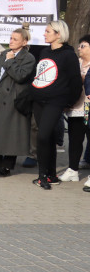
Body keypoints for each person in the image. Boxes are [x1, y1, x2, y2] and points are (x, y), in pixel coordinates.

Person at [30, 20, 84, 189]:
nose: (44, 34)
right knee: (49, 137)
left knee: (43, 136)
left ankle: (42, 176)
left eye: (48, 31)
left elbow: (75, 82)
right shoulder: (44, 51)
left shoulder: (69, 55)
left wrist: (69, 102)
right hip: (39, 100)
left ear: (58, 34)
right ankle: (51, 174)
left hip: (55, 101)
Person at [0, 27, 35, 179]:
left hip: (13, 100)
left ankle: (6, 166)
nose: (11, 41)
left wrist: (10, 61)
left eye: (15, 39)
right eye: (11, 38)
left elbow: (20, 76)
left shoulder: (28, 58)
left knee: (11, 134)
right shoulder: (4, 54)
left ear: (24, 42)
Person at [58, 35, 90, 183]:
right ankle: (72, 170)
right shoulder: (75, 63)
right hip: (76, 107)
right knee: (75, 139)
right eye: (79, 46)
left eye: (83, 46)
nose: (79, 48)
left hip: (88, 109)